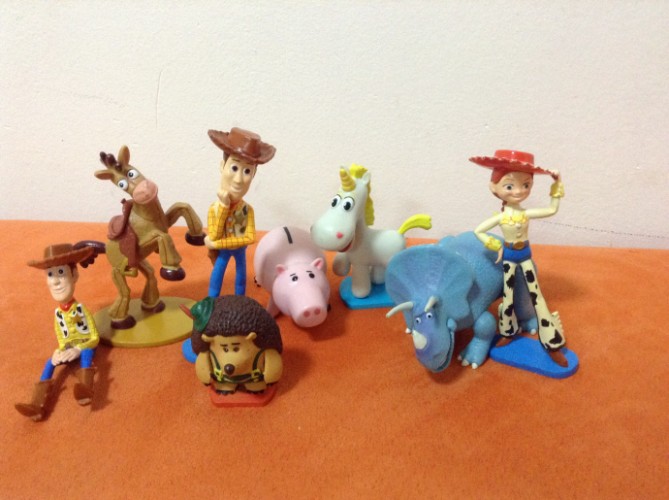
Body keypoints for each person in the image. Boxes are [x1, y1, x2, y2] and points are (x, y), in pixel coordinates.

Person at [471, 150, 568, 367]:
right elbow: (478, 230)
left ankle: (552, 342)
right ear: (494, 187)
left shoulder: (525, 214)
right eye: (509, 186)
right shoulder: (501, 217)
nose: (518, 191)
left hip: (525, 257)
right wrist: (495, 244)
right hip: (509, 258)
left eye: (525, 185)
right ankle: (508, 331)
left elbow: (552, 209)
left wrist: (557, 183)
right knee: (507, 296)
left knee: (538, 297)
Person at [16, 244, 100, 421]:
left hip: (83, 346)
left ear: (74, 275)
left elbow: (94, 337)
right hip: (69, 348)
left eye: (60, 273)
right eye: (50, 274)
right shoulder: (58, 314)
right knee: (50, 363)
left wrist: (78, 349)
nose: (55, 282)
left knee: (86, 353)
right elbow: (62, 338)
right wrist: (59, 351)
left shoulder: (81, 309)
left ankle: (86, 388)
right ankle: (36, 404)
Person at [205, 127, 275, 297]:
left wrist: (219, 244)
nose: (238, 180)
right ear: (222, 166)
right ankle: (211, 301)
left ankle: (240, 301)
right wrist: (224, 206)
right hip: (224, 253)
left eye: (247, 171)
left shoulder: (247, 210)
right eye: (234, 168)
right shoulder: (214, 208)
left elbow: (250, 237)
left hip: (239, 251)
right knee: (217, 274)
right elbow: (214, 234)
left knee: (241, 276)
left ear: (254, 175)